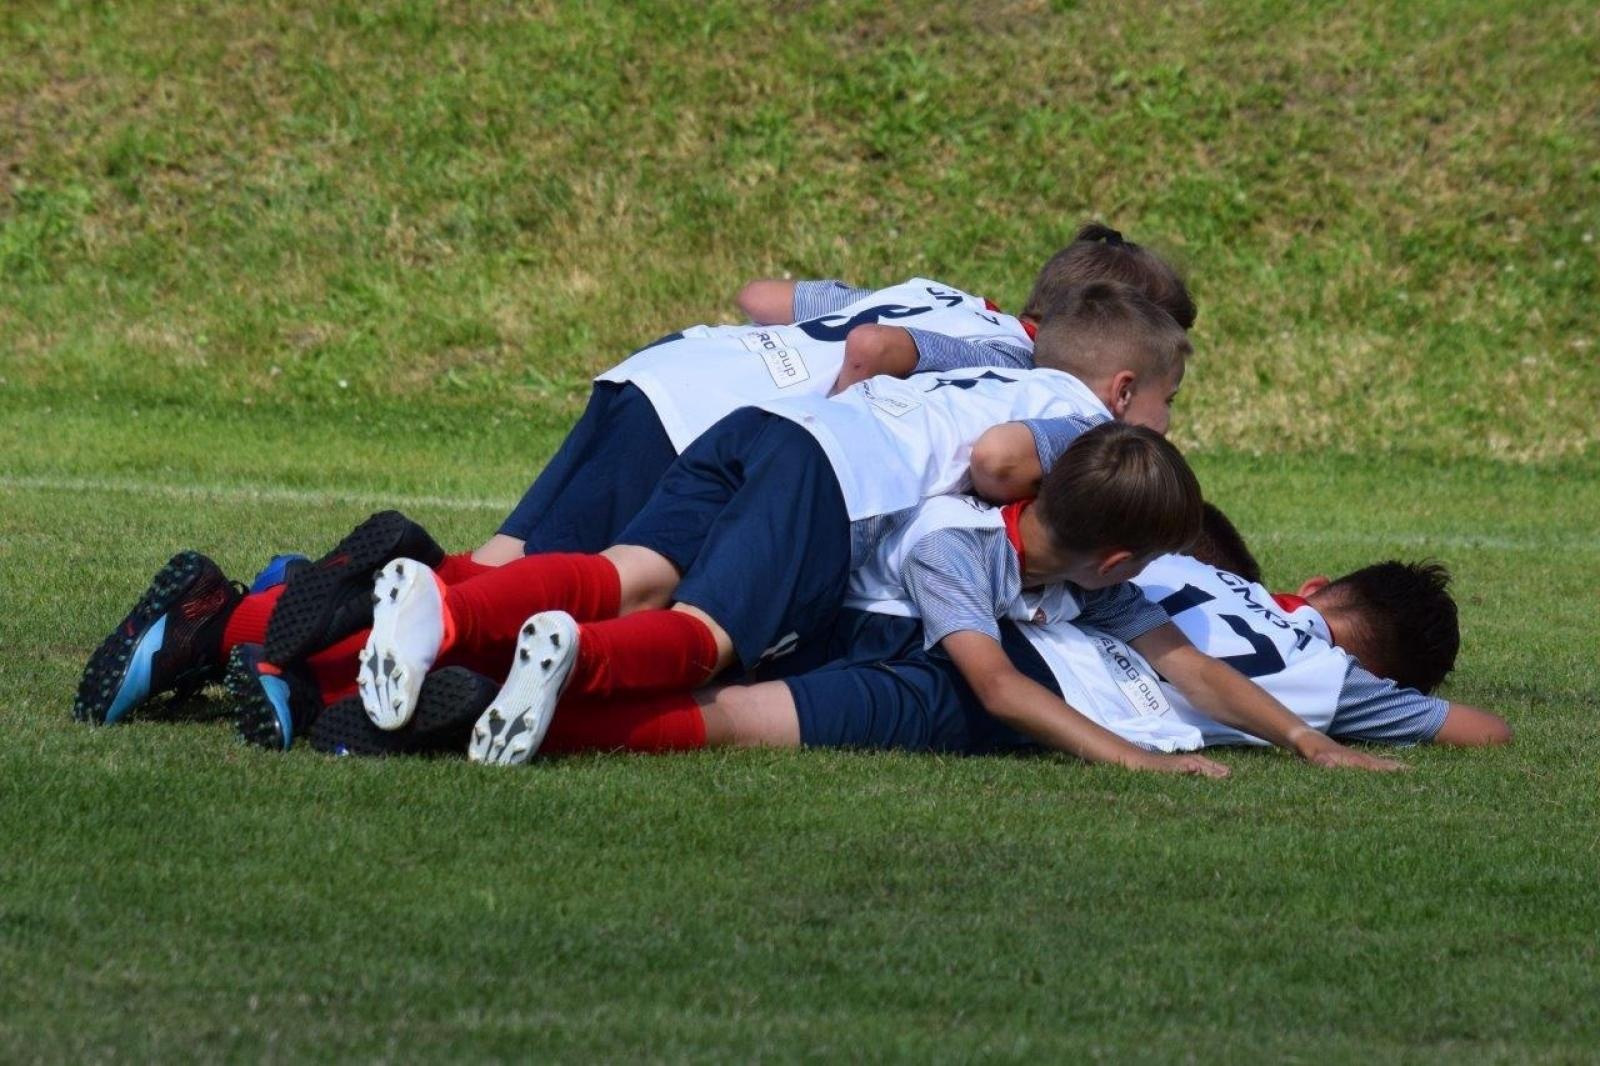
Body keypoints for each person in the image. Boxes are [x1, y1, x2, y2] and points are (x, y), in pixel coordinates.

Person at [350, 283, 1188, 763]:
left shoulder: (986, 341)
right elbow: (1002, 458)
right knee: (707, 637)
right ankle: (576, 654)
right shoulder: (1081, 424)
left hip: (768, 418)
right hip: (838, 473)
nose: (1166, 425)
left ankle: (449, 611)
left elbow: (823, 321)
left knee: (630, 572)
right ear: (1122, 391)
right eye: (1167, 405)